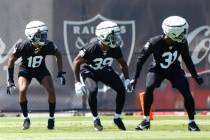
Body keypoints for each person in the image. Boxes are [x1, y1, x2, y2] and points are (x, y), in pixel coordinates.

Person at [132, 16, 203, 131]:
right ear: (173, 33)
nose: (184, 34)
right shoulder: (154, 42)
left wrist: (195, 76)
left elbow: (187, 60)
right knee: (149, 88)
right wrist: (135, 78)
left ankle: (192, 122)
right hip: (157, 68)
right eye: (182, 31)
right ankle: (146, 120)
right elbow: (141, 59)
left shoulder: (182, 42)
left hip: (174, 69)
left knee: (187, 93)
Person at [73, 21, 132, 131]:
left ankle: (117, 117)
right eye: (113, 36)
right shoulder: (92, 48)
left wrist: (127, 80)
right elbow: (76, 62)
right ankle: (96, 119)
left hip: (104, 70)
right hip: (89, 71)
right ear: (103, 36)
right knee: (93, 90)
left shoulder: (114, 48)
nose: (116, 39)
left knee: (121, 88)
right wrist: (77, 82)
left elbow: (123, 63)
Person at [7, 21, 66, 130]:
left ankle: (51, 118)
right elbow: (11, 59)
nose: (44, 37)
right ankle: (25, 118)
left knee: (51, 90)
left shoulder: (48, 45)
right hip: (26, 69)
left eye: (44, 35)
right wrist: (10, 80)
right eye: (40, 35)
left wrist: (60, 73)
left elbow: (58, 54)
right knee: (22, 89)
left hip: (40, 69)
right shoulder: (23, 46)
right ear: (31, 35)